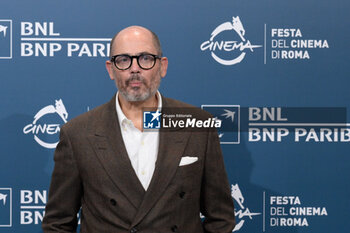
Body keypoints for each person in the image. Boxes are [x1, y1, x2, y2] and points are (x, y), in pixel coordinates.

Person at [42, 26, 235, 233]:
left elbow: (221, 217)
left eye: (145, 58)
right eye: (124, 60)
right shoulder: (77, 134)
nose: (135, 69)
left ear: (162, 66)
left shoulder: (197, 125)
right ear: (110, 69)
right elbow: (58, 223)